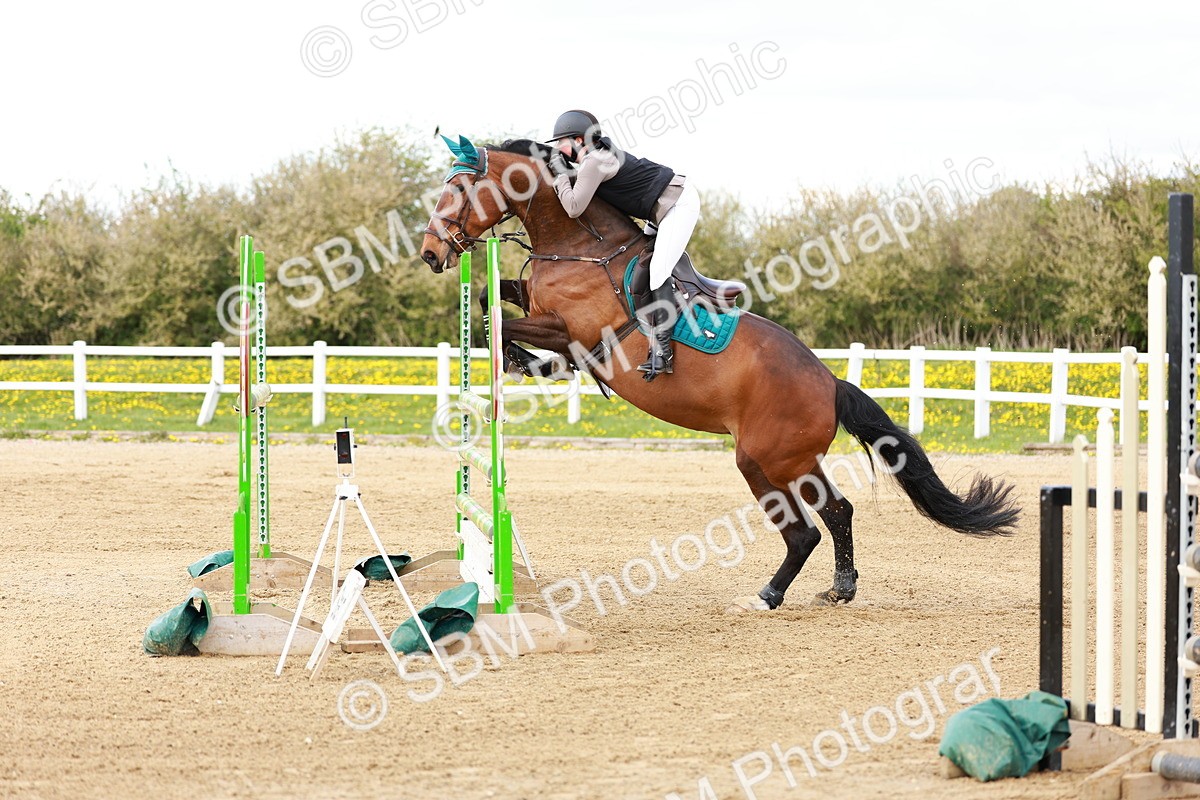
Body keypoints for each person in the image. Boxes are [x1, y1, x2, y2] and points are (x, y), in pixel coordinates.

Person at [545, 109, 699, 381]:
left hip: (677, 205)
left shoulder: (594, 161)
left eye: (562, 141)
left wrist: (559, 177)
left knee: (657, 274)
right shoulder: (594, 159)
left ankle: (663, 353)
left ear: (579, 140)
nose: (558, 148)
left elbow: (573, 208)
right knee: (639, 270)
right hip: (658, 210)